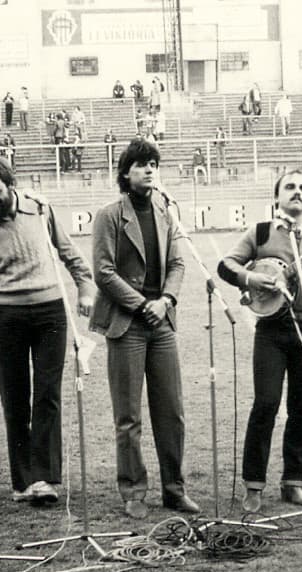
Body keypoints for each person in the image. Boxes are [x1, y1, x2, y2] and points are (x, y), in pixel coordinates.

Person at [0, 156, 95, 505]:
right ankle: (23, 481)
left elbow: (68, 251)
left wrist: (84, 286)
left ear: (11, 185)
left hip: (51, 313)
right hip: (7, 316)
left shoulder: (40, 209)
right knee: (14, 398)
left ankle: (45, 479)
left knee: (47, 394)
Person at [217, 170, 302, 512]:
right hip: (271, 330)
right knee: (266, 403)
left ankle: (293, 483)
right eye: (290, 187)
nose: (297, 192)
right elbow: (225, 265)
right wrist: (253, 277)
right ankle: (254, 484)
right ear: (277, 198)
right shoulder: (260, 233)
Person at [89, 138, 199, 519]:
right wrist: (142, 304)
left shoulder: (166, 212)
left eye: (153, 163)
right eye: (141, 164)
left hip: (162, 322)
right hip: (127, 325)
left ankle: (174, 489)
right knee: (129, 416)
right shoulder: (109, 215)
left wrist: (165, 301)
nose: (150, 170)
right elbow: (103, 272)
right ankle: (133, 490)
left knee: (172, 411)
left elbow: (178, 265)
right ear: (125, 172)